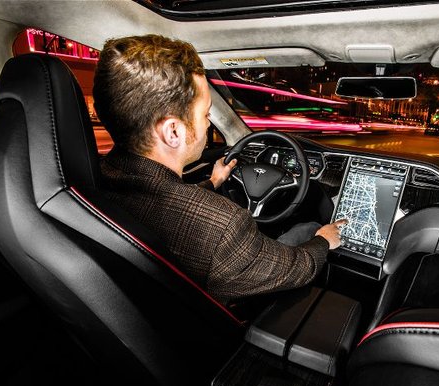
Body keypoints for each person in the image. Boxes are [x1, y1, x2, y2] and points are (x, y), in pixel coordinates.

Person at [92, 35, 345, 303]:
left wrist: (213, 183)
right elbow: (296, 268)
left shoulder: (96, 176)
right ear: (173, 131)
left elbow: (164, 199)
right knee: (308, 227)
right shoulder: (223, 226)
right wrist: (323, 240)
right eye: (205, 114)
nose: (208, 125)